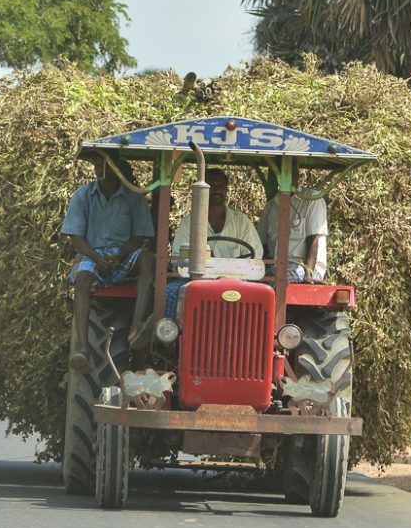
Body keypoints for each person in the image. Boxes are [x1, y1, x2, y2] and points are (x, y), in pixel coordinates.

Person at [61, 154, 155, 372]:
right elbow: (76, 238)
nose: (99, 169)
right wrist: (96, 258)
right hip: (92, 255)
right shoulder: (83, 195)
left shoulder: (133, 197)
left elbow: (139, 237)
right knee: (83, 278)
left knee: (149, 259)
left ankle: (137, 327)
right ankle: (82, 348)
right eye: (97, 165)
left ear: (118, 167)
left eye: (105, 164)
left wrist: (120, 256)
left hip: (123, 257)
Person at [162, 169, 263, 322]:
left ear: (226, 190)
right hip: (196, 280)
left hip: (237, 281)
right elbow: (178, 257)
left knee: (262, 295)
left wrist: (229, 270)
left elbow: (256, 254)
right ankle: (169, 339)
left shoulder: (241, 221)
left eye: (221, 186)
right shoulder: (190, 222)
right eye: (212, 186)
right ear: (202, 190)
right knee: (170, 292)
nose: (217, 190)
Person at [257, 165, 328, 282]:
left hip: (304, 265)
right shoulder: (271, 206)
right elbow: (262, 244)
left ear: (297, 175)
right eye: (282, 173)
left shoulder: (311, 199)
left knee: (282, 276)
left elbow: (313, 239)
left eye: (289, 173)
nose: (286, 177)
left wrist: (308, 274)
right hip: (275, 265)